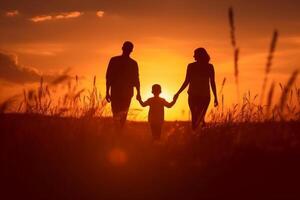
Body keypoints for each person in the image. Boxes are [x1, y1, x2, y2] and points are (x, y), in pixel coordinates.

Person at [174, 48, 218, 130]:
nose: (193, 56)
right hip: (194, 95)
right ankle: (197, 136)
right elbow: (187, 81)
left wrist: (216, 97)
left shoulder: (209, 67)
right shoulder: (191, 66)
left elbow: (212, 82)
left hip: (203, 96)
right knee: (195, 117)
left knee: (199, 118)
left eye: (195, 54)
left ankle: (201, 135)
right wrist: (178, 93)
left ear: (200, 55)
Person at [105, 41, 141, 128]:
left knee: (119, 115)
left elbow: (136, 79)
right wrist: (107, 91)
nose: (128, 50)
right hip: (119, 93)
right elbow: (109, 76)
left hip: (122, 93)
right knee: (119, 115)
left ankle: (118, 134)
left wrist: (138, 92)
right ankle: (118, 133)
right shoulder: (116, 61)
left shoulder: (131, 63)